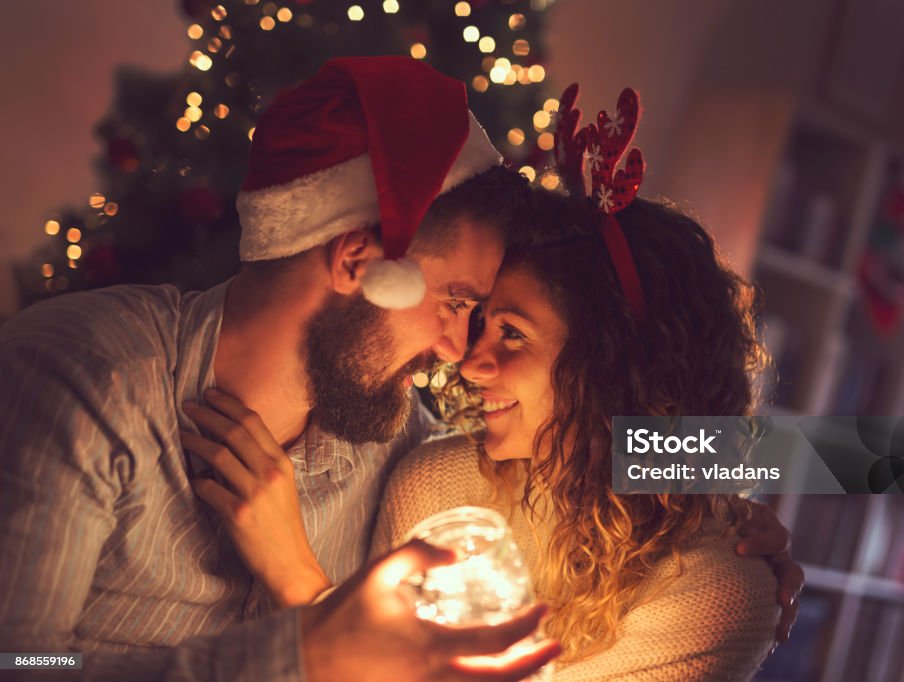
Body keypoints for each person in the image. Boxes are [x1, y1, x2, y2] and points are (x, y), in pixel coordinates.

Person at [180, 85, 802, 681]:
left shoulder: (719, 589)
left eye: (511, 334)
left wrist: (298, 581)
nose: (466, 362)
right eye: (478, 322)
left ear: (609, 362)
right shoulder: (441, 485)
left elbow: (882, 454)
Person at [0, 56, 557, 682]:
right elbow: (18, 660)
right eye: (454, 302)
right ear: (356, 261)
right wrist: (303, 654)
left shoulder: (400, 450)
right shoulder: (83, 377)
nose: (458, 348)